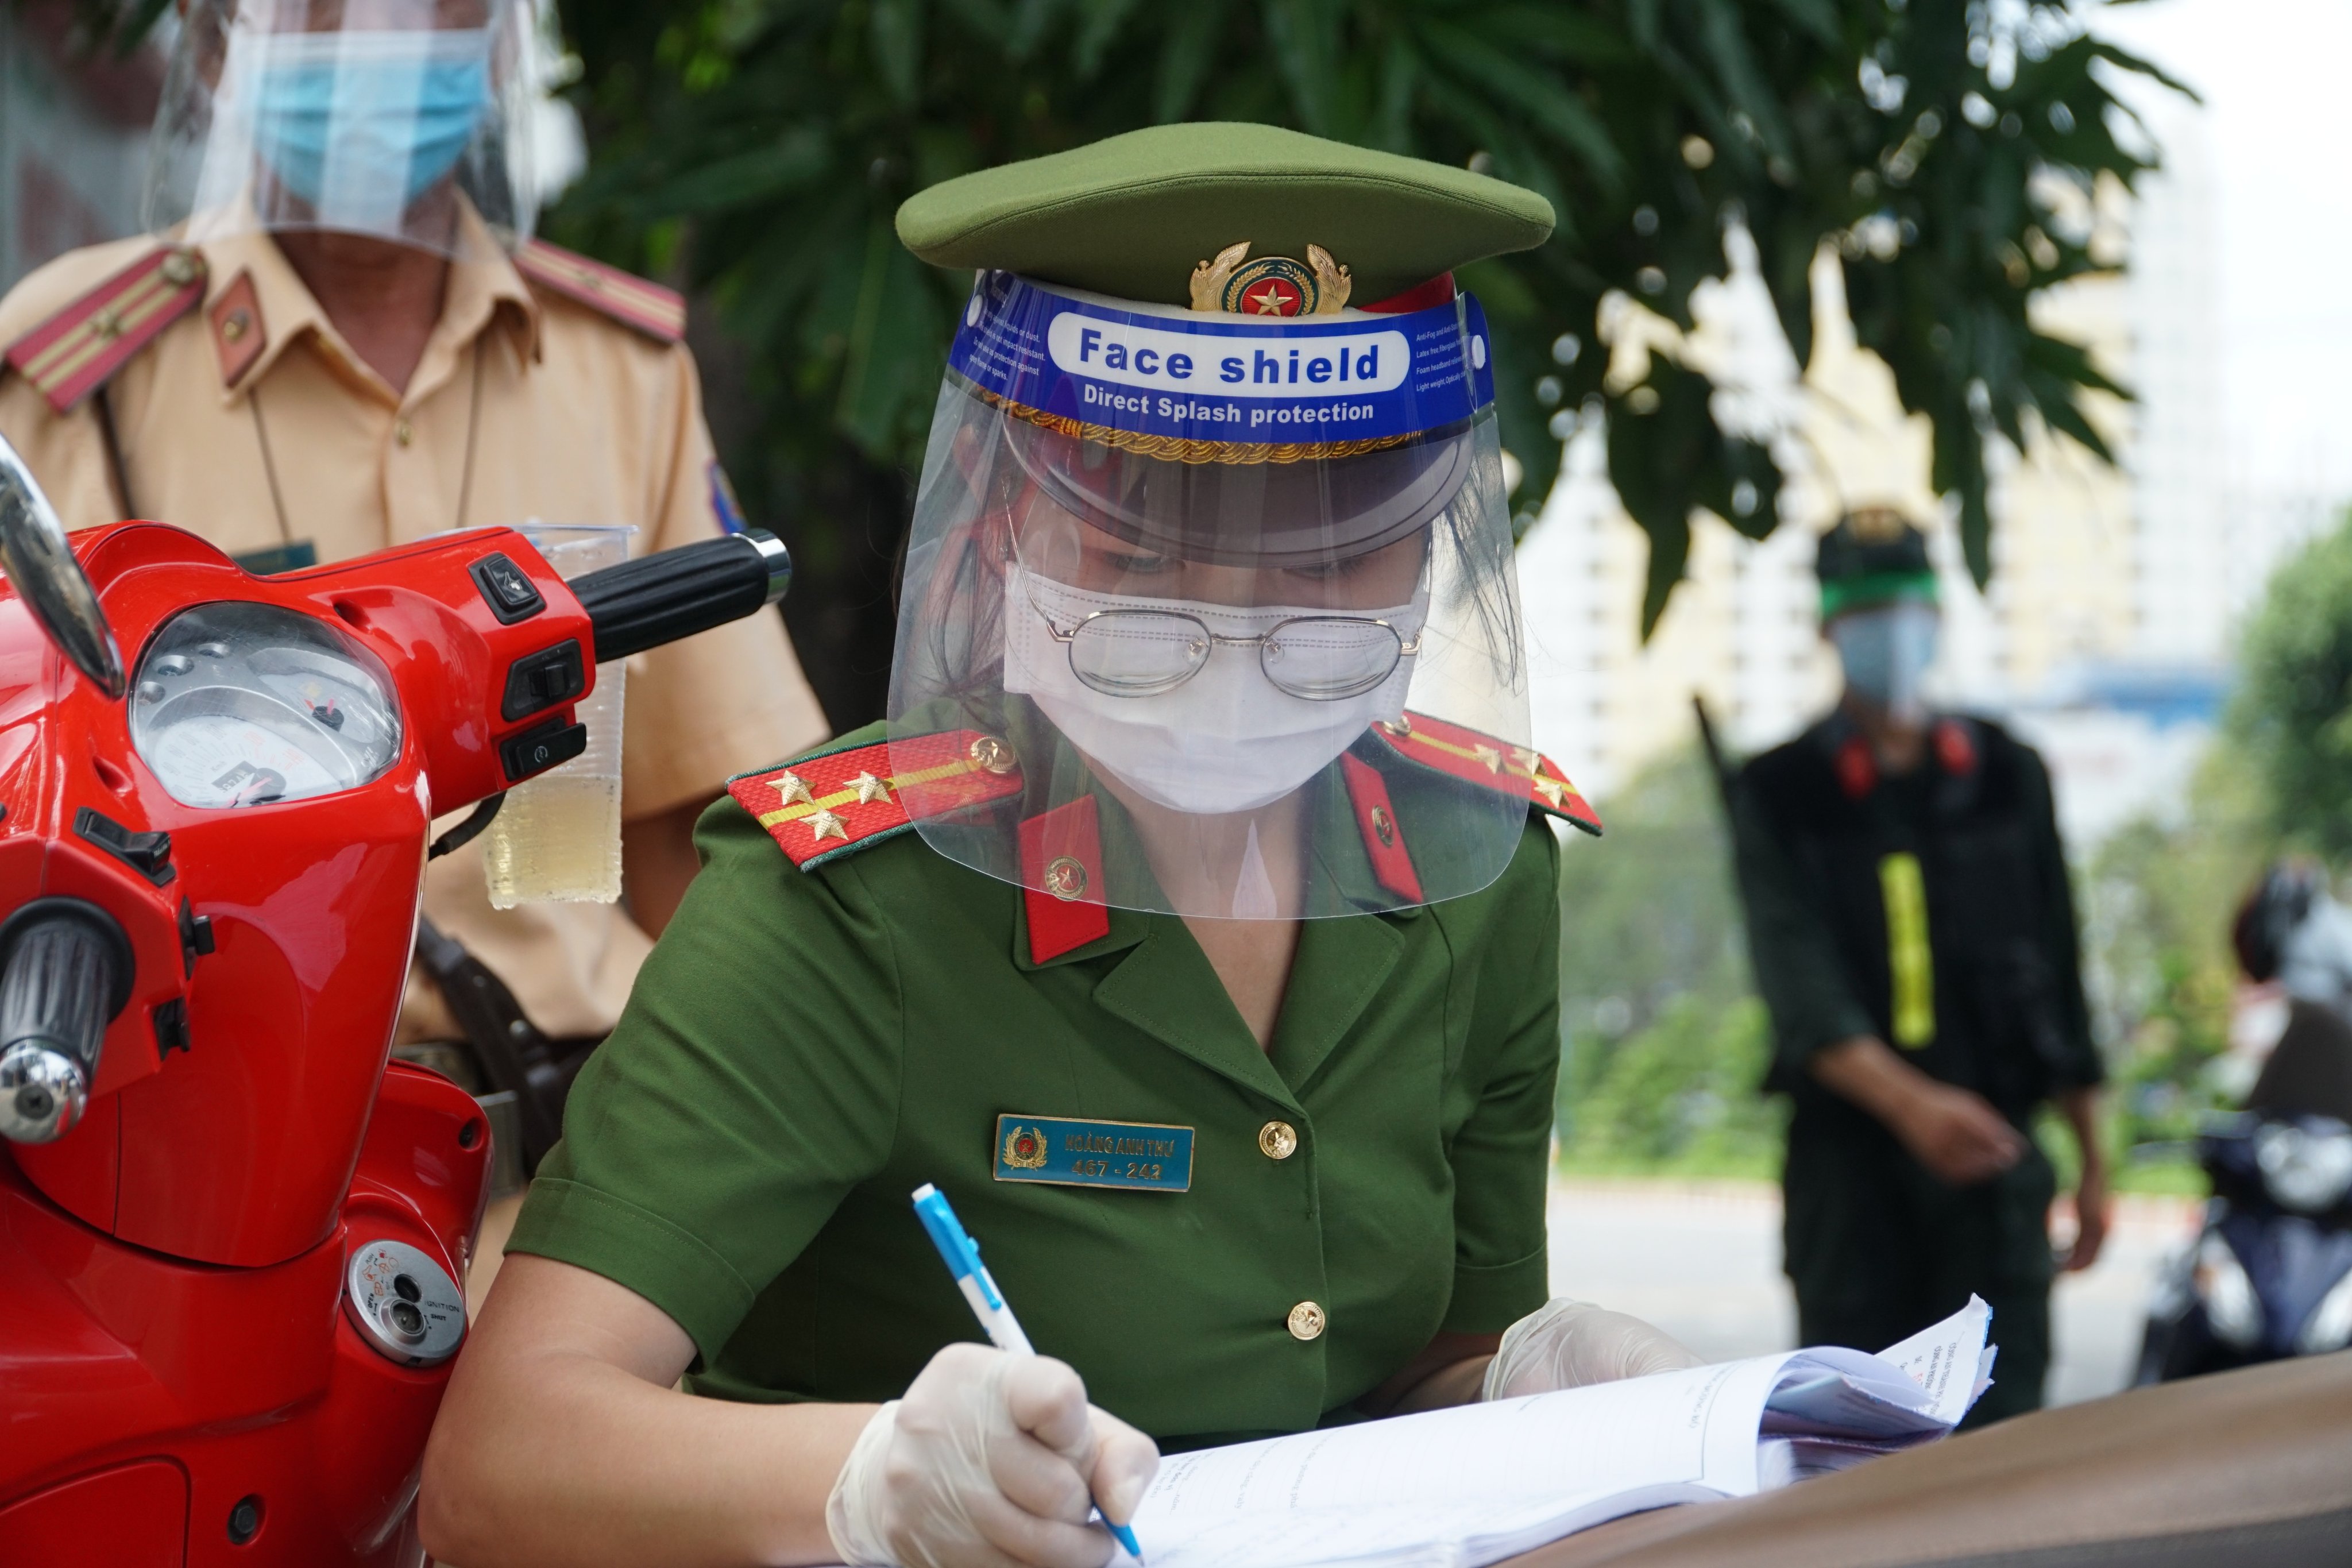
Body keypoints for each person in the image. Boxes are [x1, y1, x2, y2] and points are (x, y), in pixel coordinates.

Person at [420, 121, 1704, 1568]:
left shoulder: (1478, 862)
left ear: (1432, 546)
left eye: (1333, 546)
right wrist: (866, 1482)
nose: (1235, 608)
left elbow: (1409, 1375)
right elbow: (500, 1461)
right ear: (1011, 520)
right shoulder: (852, 903)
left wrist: (1533, 1392)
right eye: (1145, 542)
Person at [0, 0, 827, 1140]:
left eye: (422, 11)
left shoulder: (617, 372)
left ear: (495, 44)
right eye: (324, 13)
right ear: (211, 44)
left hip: (574, 1162)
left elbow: (701, 842)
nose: (374, 52)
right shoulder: (71, 379)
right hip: (202, 1165)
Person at [1724, 508, 2107, 1425]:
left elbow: (2060, 970)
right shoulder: (1783, 789)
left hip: (1995, 1168)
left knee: (2003, 1450)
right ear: (1827, 625)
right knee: (1857, 1459)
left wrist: (2093, 1160)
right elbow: (1801, 993)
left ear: (1936, 614)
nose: (1889, 628)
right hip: (1853, 1189)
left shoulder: (2008, 771)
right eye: (1864, 608)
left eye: (1905, 603)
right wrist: (1912, 1107)